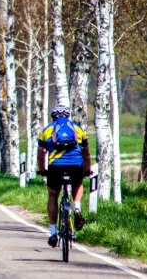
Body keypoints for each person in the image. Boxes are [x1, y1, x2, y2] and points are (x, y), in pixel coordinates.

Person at [37, 105, 91, 248]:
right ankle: (77, 207)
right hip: (75, 165)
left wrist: (42, 170)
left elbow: (41, 153)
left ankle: (53, 232)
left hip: (56, 167)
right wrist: (87, 170)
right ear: (68, 117)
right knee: (78, 184)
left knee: (53, 194)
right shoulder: (78, 129)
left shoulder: (46, 131)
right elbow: (86, 152)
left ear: (53, 118)